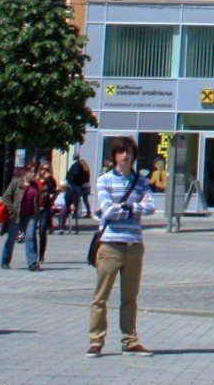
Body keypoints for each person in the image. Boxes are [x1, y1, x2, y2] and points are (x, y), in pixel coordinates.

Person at [90, 137, 155, 357]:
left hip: (134, 244)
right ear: (115, 155)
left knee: (130, 297)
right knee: (101, 296)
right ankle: (96, 340)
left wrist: (127, 207)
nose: (125, 156)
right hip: (111, 244)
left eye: (129, 152)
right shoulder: (104, 180)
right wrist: (135, 208)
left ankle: (130, 339)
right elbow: (108, 211)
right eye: (121, 152)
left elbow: (151, 207)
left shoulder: (141, 181)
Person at [67, 155, 93, 224]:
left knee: (77, 199)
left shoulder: (81, 169)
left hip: (83, 186)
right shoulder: (87, 170)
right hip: (88, 186)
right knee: (85, 200)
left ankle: (77, 213)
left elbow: (80, 179)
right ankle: (88, 213)